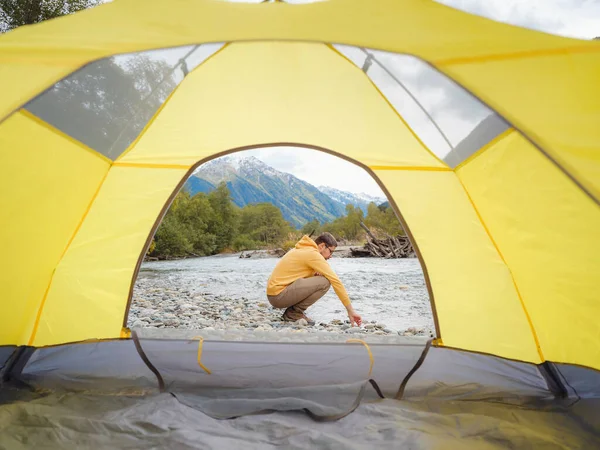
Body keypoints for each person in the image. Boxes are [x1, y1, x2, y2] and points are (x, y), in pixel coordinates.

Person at [266, 232, 362, 327]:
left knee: (320, 278)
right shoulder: (313, 254)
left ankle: (293, 312)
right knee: (325, 282)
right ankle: (294, 313)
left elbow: (295, 275)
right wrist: (350, 311)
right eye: (331, 251)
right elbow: (335, 281)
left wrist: (312, 274)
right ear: (322, 246)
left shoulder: (305, 249)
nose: (331, 256)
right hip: (278, 296)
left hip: (275, 294)